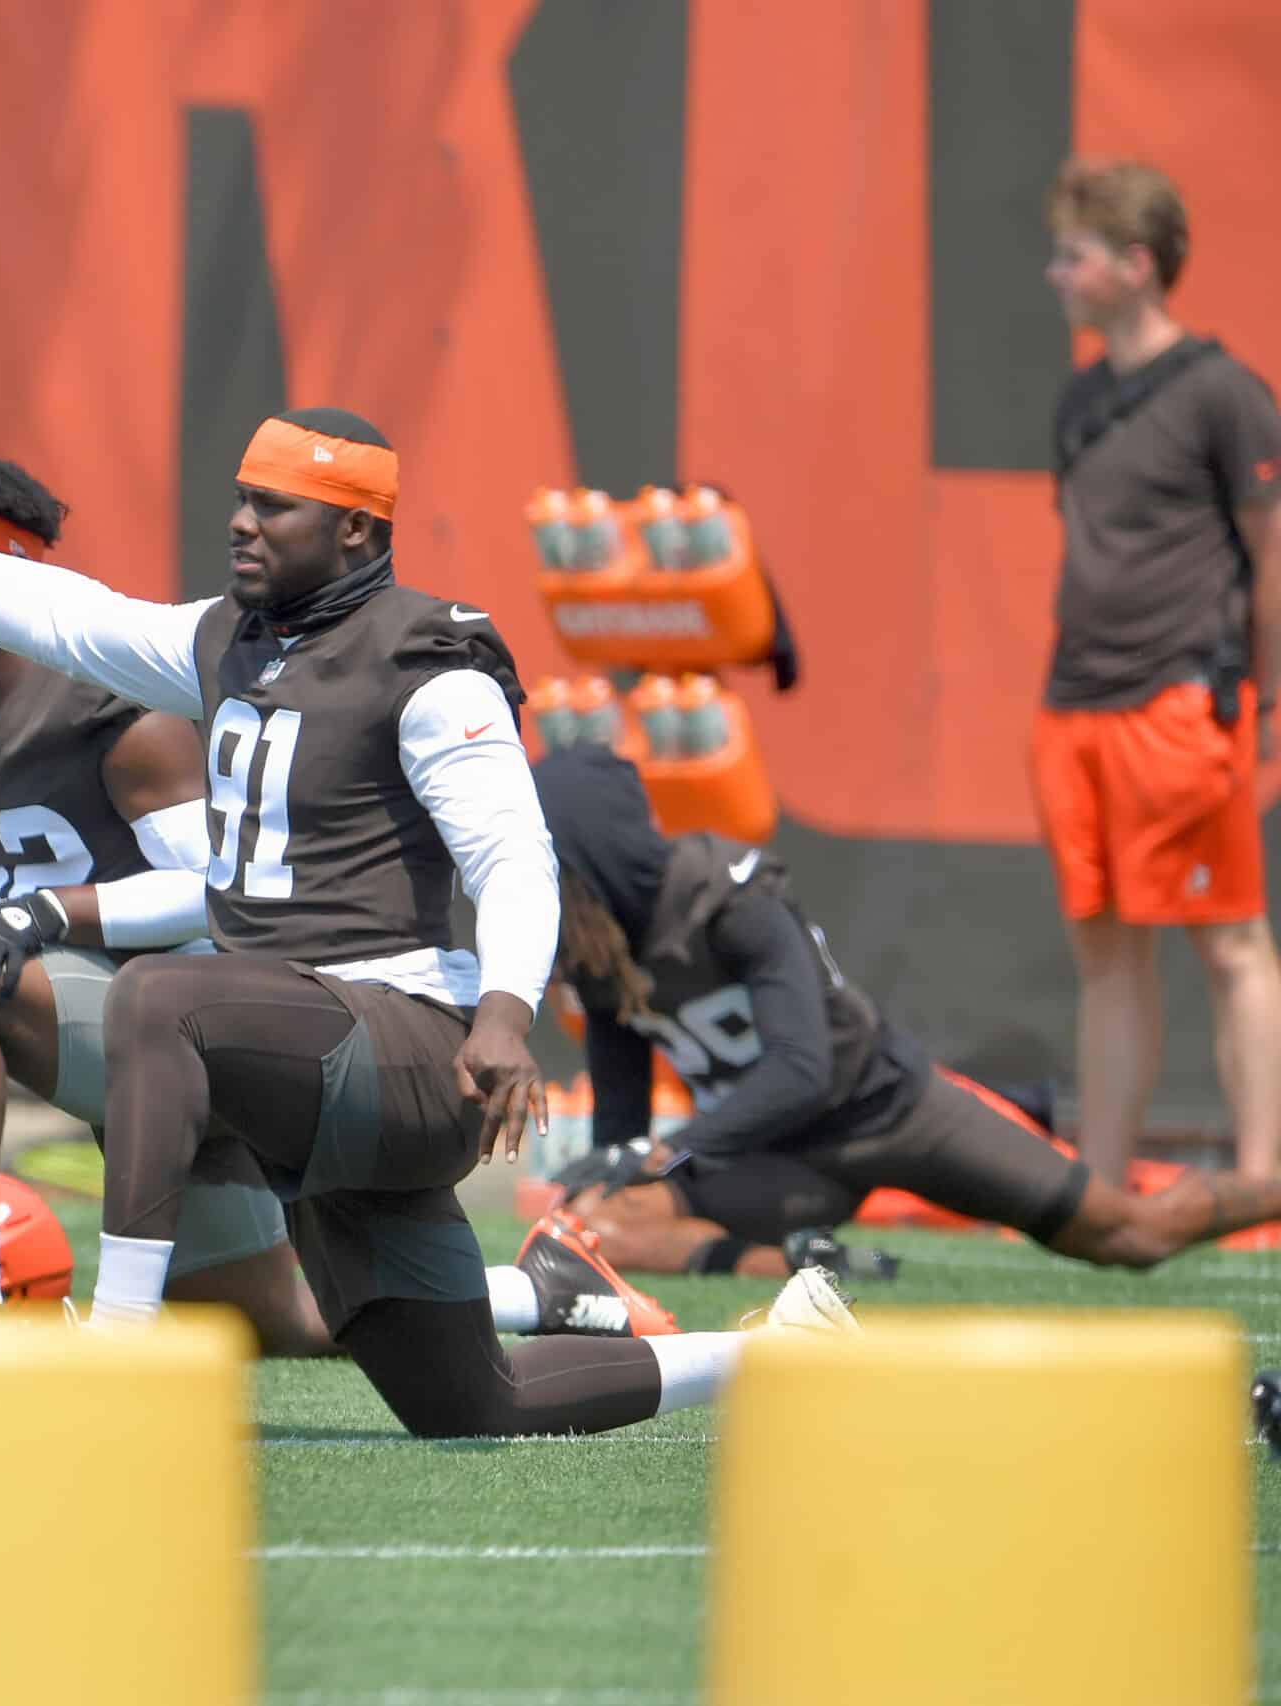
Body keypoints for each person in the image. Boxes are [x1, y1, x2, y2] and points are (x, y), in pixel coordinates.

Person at [0, 409, 851, 1440]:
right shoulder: (227, 643)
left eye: (277, 506)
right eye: (243, 499)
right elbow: (60, 614)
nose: (244, 522)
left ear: (355, 528)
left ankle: (112, 1351)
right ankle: (774, 1353)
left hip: (404, 1044)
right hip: (294, 1064)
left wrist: (503, 1012)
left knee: (157, 993)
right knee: (473, 1403)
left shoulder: (423, 661)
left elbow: (511, 855)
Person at [0, 447, 671, 1348]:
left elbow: (207, 888)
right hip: (139, 1031)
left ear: (2, 578)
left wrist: (50, 910)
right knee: (272, 1323)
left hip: (207, 1019)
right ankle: (542, 1294)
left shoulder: (115, 710)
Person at [535, 744, 1281, 1278]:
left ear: (596, 861)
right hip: (774, 1156)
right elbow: (622, 1128)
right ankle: (814, 1269)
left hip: (887, 1108)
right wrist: (612, 1173)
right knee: (589, 1228)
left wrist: (671, 1150)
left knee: (1131, 1235)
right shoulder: (599, 954)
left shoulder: (727, 899)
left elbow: (803, 1068)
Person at [1034, 157, 1281, 1184]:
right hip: (1072, 705)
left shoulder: (1225, 392)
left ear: (1137, 264)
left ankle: (1262, 1185)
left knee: (1229, 943)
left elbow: (1269, 553)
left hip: (1182, 701)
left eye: (1074, 255)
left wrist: (1263, 695)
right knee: (1104, 953)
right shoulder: (1081, 397)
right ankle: (1100, 1188)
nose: (1056, 274)